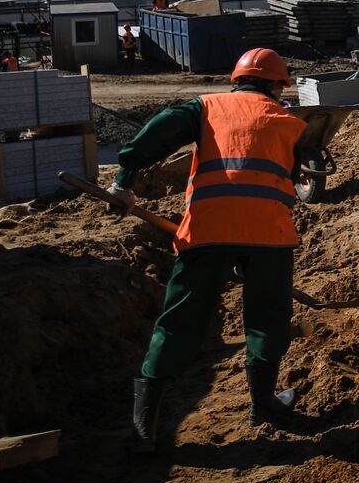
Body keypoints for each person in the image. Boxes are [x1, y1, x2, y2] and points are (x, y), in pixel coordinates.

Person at [110, 48, 307, 452]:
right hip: (267, 233)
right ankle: (263, 405)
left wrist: (124, 180)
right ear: (277, 86)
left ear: (235, 80)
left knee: (179, 319)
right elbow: (289, 178)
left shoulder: (206, 106)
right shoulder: (290, 121)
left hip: (208, 230)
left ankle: (145, 425)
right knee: (268, 315)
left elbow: (157, 132)